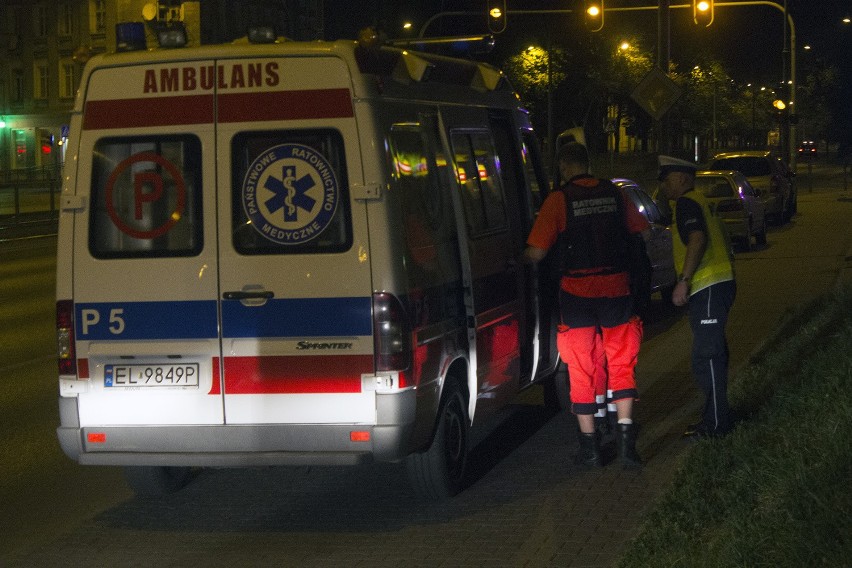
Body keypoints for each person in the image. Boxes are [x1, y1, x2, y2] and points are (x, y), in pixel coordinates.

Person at [524, 142, 649, 467]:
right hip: (616, 290)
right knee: (621, 364)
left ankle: (590, 449)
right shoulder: (615, 194)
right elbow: (642, 233)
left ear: (564, 167)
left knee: (580, 367)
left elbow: (536, 252)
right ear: (588, 163)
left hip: (577, 296)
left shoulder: (559, 200)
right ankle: (625, 443)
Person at [658, 155, 737, 438]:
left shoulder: (687, 203)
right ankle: (716, 416)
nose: (664, 188)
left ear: (680, 178)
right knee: (709, 355)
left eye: (666, 181)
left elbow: (697, 238)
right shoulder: (701, 201)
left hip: (708, 286)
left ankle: (716, 425)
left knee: (708, 356)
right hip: (718, 284)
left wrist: (684, 281)